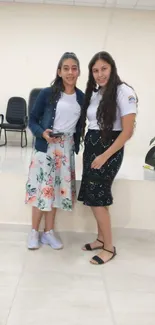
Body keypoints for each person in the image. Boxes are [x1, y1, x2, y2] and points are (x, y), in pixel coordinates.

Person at [78, 51, 137, 265]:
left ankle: (109, 248)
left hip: (109, 151)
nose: (100, 74)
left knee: (98, 199)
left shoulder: (123, 91)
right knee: (95, 196)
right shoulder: (96, 92)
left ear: (112, 68)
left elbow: (127, 131)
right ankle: (101, 238)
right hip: (93, 148)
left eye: (104, 69)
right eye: (95, 70)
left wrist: (104, 155)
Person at [26, 52, 84, 250]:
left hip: (65, 150)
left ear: (78, 72)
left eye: (74, 68)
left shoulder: (81, 98)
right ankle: (34, 232)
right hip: (46, 148)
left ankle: (48, 232)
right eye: (66, 68)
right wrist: (42, 133)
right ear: (59, 71)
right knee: (42, 192)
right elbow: (31, 120)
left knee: (56, 194)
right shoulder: (47, 93)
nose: (70, 72)